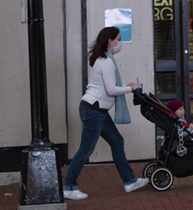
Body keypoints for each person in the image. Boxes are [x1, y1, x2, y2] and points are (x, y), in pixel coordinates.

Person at [63, 26, 149, 200]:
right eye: (118, 39)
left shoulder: (103, 59)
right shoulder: (106, 61)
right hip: (94, 111)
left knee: (117, 141)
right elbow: (111, 90)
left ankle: (130, 181)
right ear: (110, 41)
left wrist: (126, 86)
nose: (120, 42)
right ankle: (68, 186)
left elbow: (109, 86)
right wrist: (131, 88)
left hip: (97, 110)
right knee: (85, 150)